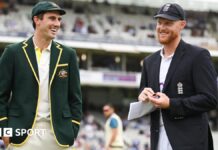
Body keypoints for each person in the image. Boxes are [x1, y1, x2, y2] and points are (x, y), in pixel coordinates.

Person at [0, 1, 82, 150]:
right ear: (36, 20)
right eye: (52, 18)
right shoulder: (13, 52)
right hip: (21, 135)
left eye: (59, 19)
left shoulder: (68, 54)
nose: (57, 24)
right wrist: (4, 132)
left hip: (59, 136)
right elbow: (1, 95)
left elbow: (75, 98)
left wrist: (73, 129)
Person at [138, 3, 218, 150]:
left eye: (168, 23)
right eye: (159, 23)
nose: (162, 27)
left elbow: (210, 99)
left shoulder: (198, 56)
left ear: (182, 25)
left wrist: (171, 104)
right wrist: (143, 98)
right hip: (158, 140)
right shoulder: (150, 62)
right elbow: (145, 96)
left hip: (189, 141)